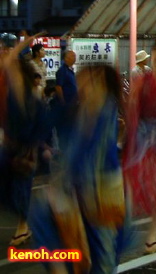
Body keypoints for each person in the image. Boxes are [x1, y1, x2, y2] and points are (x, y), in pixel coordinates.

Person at [30, 65, 131, 273]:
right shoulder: (76, 111)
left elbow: (94, 154)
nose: (84, 85)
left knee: (102, 253)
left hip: (102, 192)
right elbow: (45, 128)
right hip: (82, 189)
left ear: (103, 86)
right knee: (47, 220)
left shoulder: (105, 112)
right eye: (82, 80)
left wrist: (65, 178)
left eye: (91, 81)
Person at [123, 41, 156, 254]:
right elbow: (131, 106)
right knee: (131, 180)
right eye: (155, 52)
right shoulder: (139, 79)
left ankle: (153, 231)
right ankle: (123, 227)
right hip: (141, 132)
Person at [0, 33, 48, 248]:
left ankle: (24, 226)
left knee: (20, 189)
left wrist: (40, 149)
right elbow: (9, 63)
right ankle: (24, 224)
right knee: (8, 187)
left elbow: (41, 126)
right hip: (10, 147)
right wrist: (24, 44)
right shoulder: (14, 94)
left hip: (24, 150)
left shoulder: (33, 101)